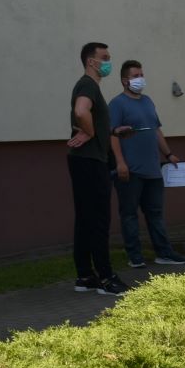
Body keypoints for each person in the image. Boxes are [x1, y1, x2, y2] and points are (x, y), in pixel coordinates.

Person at [108, 60, 185, 270]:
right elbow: (112, 135)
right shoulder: (117, 104)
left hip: (153, 169)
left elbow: (156, 131)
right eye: (135, 75)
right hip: (130, 170)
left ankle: (164, 253)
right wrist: (120, 162)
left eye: (141, 74)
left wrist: (168, 154)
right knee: (129, 214)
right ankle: (135, 257)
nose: (140, 78)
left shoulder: (148, 101)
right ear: (125, 80)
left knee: (155, 213)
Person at [67, 41, 127, 294]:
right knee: (99, 219)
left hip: (84, 160)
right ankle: (106, 278)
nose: (108, 61)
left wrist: (111, 131)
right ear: (91, 61)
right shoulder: (88, 84)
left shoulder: (89, 85)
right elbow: (81, 111)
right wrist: (91, 132)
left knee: (85, 219)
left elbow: (87, 115)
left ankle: (85, 276)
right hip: (91, 162)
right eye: (104, 57)